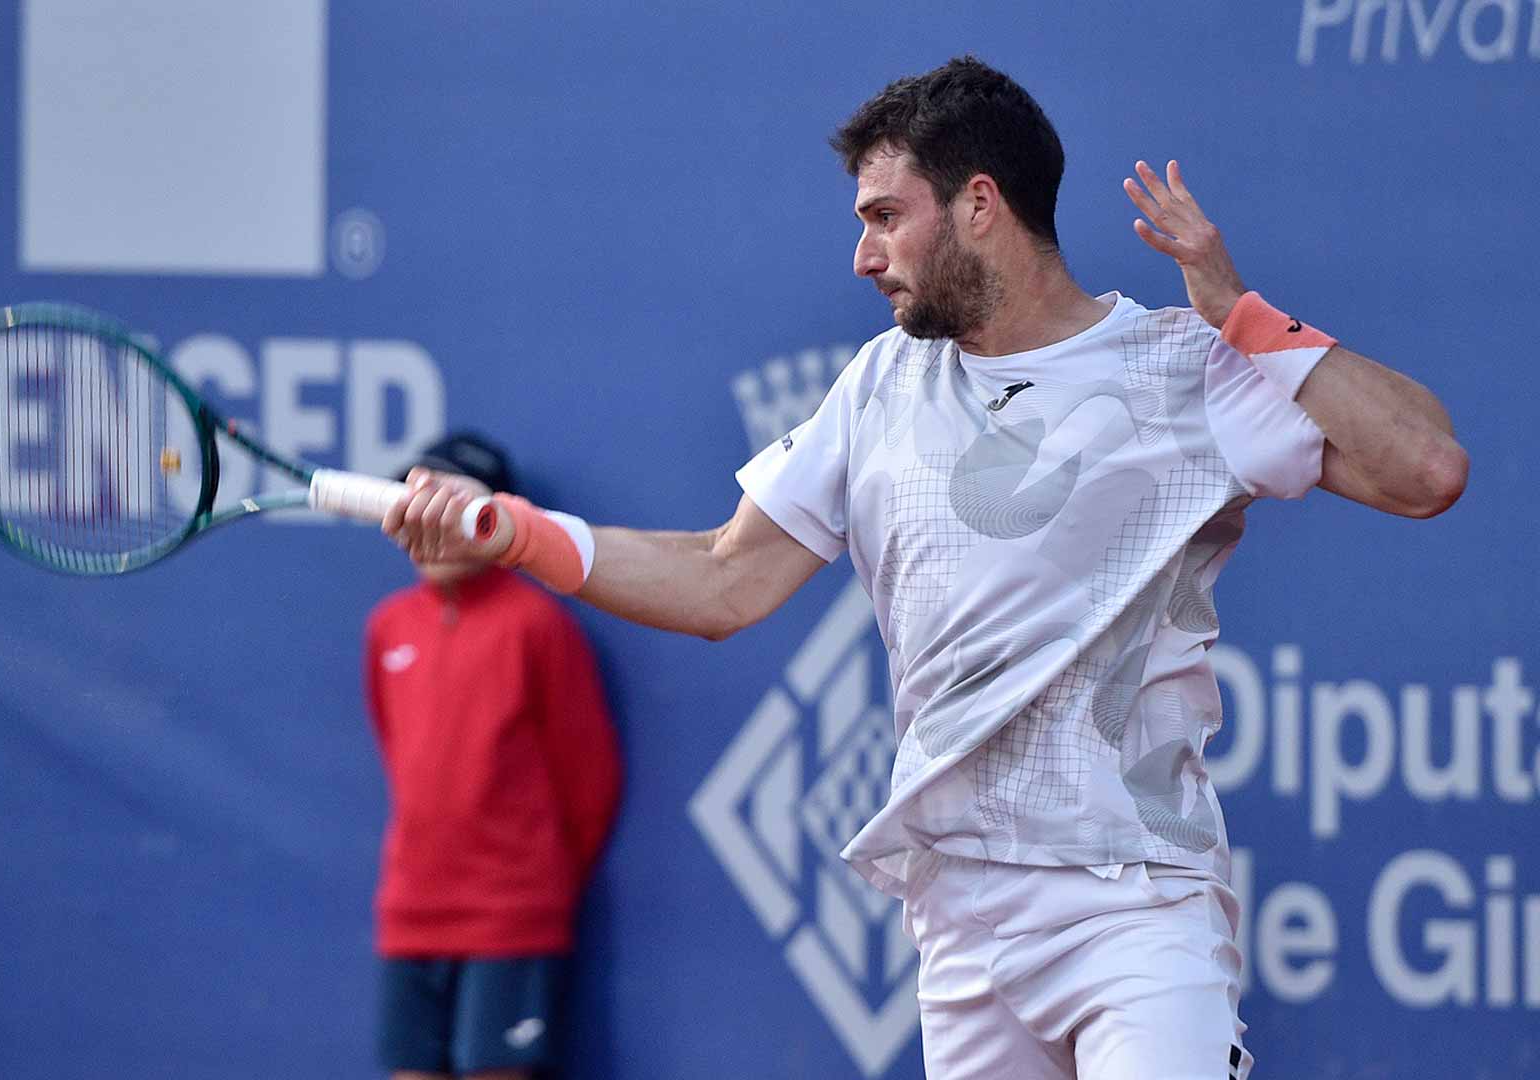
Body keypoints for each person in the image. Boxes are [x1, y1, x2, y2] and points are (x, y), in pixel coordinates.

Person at [384, 57, 1466, 1080]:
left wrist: (1241, 315)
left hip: (1134, 907)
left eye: (885, 218)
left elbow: (1425, 468)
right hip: (961, 925)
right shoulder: (879, 385)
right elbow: (724, 579)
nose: (864, 256)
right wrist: (515, 533)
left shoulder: (1183, 369)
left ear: (981, 205)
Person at [364, 432, 623, 1080]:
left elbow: (587, 781)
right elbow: (400, 756)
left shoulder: (538, 625)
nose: (425, 519)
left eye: (447, 503)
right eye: (412, 500)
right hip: (410, 912)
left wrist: (528, 886)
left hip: (510, 918)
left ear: (493, 519)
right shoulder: (388, 627)